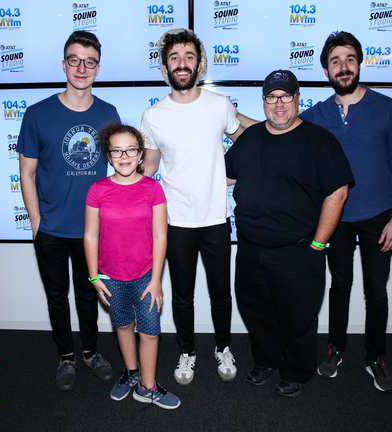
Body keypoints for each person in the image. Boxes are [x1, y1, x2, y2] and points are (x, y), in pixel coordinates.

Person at [225, 69, 354, 397]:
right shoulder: (250, 139)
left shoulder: (319, 140)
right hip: (251, 248)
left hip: (299, 250)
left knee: (298, 316)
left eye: (285, 96)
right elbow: (224, 177)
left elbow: (337, 192)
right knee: (256, 310)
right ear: (264, 102)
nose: (279, 104)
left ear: (297, 99)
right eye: (272, 97)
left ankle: (297, 370)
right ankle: (266, 360)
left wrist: (318, 244)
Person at [300, 30, 392, 393]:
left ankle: (376, 358)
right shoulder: (316, 115)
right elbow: (280, 130)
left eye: (349, 59)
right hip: (337, 221)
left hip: (379, 217)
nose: (343, 67)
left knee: (376, 292)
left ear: (360, 64)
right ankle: (335, 349)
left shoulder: (388, 109)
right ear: (326, 71)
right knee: (340, 287)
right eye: (335, 62)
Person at [140, 28, 249, 385]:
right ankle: (187, 351)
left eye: (188, 56)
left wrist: (232, 169)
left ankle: (222, 347)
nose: (182, 63)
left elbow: (244, 138)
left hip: (217, 217)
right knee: (182, 295)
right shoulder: (154, 115)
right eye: (174, 58)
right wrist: (124, 175)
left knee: (221, 292)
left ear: (198, 63)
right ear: (165, 66)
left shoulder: (220, 106)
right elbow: (151, 166)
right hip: (177, 220)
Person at [18, 30, 118, 390]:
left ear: (97, 68)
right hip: (52, 229)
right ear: (64, 64)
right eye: (74, 59)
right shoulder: (38, 114)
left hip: (94, 229)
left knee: (90, 293)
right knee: (57, 298)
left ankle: (91, 352)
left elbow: (121, 168)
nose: (81, 67)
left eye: (89, 61)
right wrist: (35, 222)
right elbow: (26, 172)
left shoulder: (109, 113)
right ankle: (66, 358)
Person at [83, 124, 180, 409]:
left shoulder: (153, 188)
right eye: (116, 150)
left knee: (149, 331)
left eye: (131, 150)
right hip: (110, 277)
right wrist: (93, 277)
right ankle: (131, 373)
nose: (124, 156)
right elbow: (90, 235)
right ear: (108, 155)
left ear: (140, 154)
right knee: (123, 325)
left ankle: (147, 387)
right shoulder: (97, 190)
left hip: (145, 276)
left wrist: (156, 280)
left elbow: (161, 235)